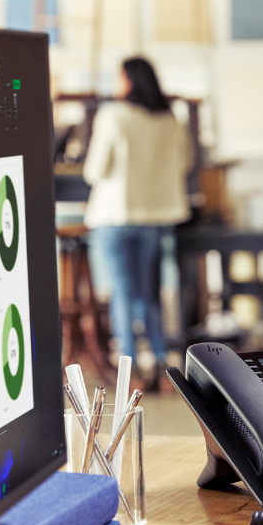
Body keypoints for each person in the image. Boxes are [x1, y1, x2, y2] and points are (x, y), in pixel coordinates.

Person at [84, 57, 189, 382]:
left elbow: (94, 170)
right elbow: (184, 163)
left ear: (128, 80)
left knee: (123, 294)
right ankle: (159, 361)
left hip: (115, 217)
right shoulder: (170, 119)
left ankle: (129, 368)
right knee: (148, 293)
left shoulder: (113, 115)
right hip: (156, 219)